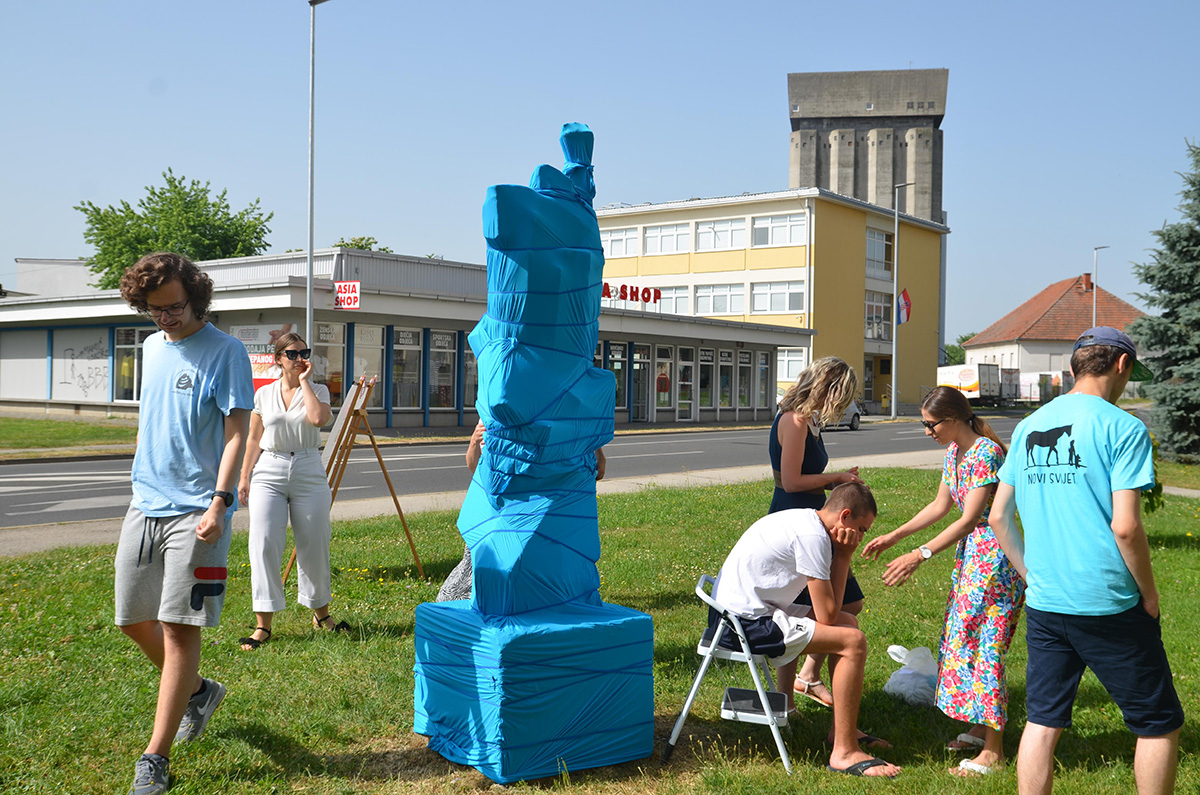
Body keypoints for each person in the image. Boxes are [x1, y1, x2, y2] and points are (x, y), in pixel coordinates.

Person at [989, 327, 1183, 795]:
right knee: (1157, 723)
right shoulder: (1124, 427)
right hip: (1108, 601)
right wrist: (1149, 595)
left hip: (1047, 602)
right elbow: (1126, 527)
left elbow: (998, 516)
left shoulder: (1029, 425)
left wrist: (1030, 575)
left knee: (1043, 721)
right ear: (1122, 364)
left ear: (1075, 366)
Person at [114, 252, 254, 795]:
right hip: (144, 502)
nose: (165, 318)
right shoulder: (153, 346)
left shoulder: (226, 351)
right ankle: (198, 691)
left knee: (177, 628)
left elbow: (238, 432)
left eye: (173, 307)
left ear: (195, 297)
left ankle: (155, 758)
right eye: (154, 310)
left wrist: (220, 502)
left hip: (198, 508)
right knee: (132, 619)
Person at [861, 386, 1024, 777]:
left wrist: (919, 554)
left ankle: (994, 751)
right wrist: (895, 536)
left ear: (953, 419)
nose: (927, 431)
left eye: (931, 424)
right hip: (973, 562)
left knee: (986, 650)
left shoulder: (986, 452)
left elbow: (969, 519)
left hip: (994, 563)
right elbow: (940, 505)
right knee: (963, 641)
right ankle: (979, 728)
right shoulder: (955, 452)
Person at [710, 483, 900, 778]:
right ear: (845, 516)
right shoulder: (814, 538)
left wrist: (841, 554)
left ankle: (841, 731)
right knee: (853, 642)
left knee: (849, 623)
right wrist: (844, 555)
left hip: (738, 613)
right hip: (742, 625)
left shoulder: (808, 520)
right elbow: (827, 615)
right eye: (862, 529)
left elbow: (835, 613)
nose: (861, 537)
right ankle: (844, 753)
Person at [237, 333, 346, 651]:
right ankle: (263, 625)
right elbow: (253, 439)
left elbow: (317, 418)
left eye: (304, 353)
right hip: (269, 469)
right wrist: (244, 476)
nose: (300, 359)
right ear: (278, 359)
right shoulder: (264, 393)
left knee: (314, 543)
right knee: (263, 543)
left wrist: (305, 383)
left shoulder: (318, 390)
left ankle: (321, 615)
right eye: (292, 354)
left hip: (308, 468)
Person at [768, 356, 864, 710]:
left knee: (847, 602)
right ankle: (786, 696)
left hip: (813, 517)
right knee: (801, 608)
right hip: (794, 516)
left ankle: (807, 675)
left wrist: (837, 482)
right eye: (841, 396)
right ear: (827, 389)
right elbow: (792, 481)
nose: (840, 405)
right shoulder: (794, 420)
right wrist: (836, 478)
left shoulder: (809, 420)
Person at [436, 419, 606, 601]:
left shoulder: (547, 419)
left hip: (534, 506)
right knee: (485, 564)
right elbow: (473, 466)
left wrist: (598, 453)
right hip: (496, 507)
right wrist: (474, 441)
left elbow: (583, 426)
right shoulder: (490, 419)